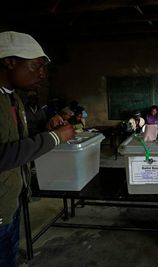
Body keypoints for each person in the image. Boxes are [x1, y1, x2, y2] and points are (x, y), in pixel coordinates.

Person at [0, 31, 75, 266]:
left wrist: (44, 129)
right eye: (37, 66)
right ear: (10, 61)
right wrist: (53, 138)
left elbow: (16, 141)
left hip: (11, 201)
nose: (42, 74)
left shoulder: (13, 98)